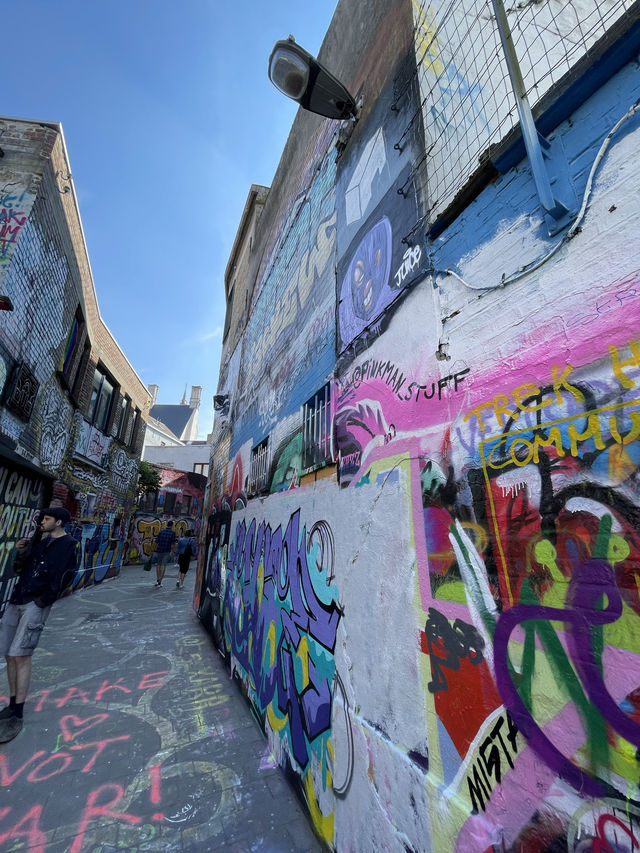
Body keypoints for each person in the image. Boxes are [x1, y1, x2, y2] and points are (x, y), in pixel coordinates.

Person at [0, 507, 80, 743]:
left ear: (59, 522)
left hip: (35, 603)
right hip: (17, 599)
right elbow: (21, 569)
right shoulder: (41, 542)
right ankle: (12, 702)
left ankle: (17, 712)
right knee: (9, 654)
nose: (42, 522)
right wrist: (22, 552)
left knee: (21, 654)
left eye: (46, 519)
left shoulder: (69, 545)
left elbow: (66, 576)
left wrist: (43, 601)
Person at [153, 521, 176, 588]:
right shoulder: (172, 533)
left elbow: (156, 541)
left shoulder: (161, 531)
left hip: (159, 550)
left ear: (167, 525)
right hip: (166, 551)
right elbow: (173, 543)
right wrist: (173, 551)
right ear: (172, 525)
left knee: (158, 565)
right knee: (163, 565)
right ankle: (160, 581)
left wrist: (154, 550)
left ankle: (157, 580)